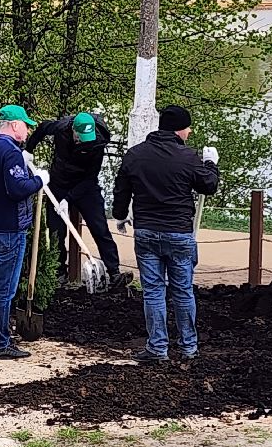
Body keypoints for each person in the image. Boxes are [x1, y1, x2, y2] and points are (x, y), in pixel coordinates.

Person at [112, 104, 219, 363]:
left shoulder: (135, 155)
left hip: (147, 232)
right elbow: (209, 186)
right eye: (188, 127)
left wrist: (119, 214)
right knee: (183, 290)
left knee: (153, 291)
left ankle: (157, 347)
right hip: (178, 233)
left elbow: (121, 190)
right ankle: (188, 347)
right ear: (178, 130)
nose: (190, 132)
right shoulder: (188, 157)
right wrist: (211, 164)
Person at [0, 104, 45, 360]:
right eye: (25, 125)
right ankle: (0, 343)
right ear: (14, 125)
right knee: (4, 290)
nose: (27, 131)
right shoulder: (11, 153)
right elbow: (17, 189)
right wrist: (39, 180)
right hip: (9, 230)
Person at [25, 111, 122, 285]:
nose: (83, 140)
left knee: (99, 228)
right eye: (80, 136)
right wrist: (28, 150)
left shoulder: (98, 141)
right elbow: (41, 129)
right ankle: (59, 271)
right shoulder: (61, 127)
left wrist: (68, 199)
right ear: (73, 131)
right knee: (56, 231)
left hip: (86, 186)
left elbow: (90, 178)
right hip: (59, 183)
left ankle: (114, 272)